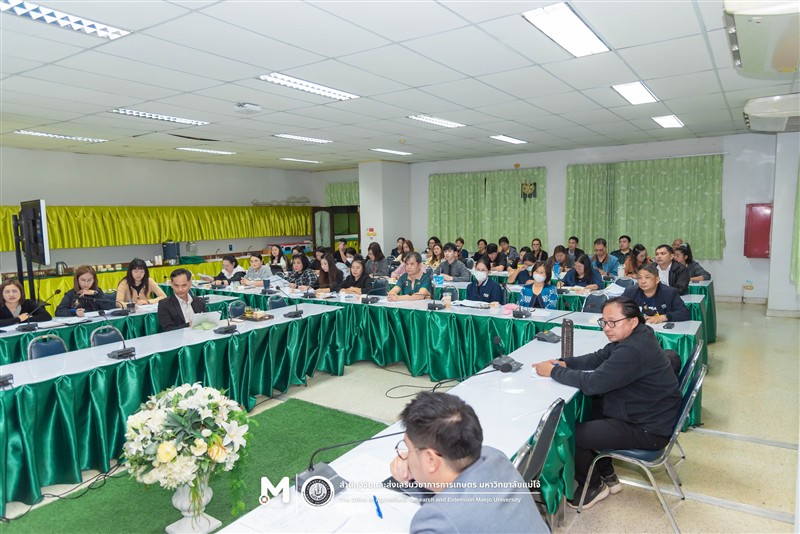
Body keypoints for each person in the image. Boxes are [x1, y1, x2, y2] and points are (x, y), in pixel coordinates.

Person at [533, 298, 681, 510]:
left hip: (648, 429)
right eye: (604, 322)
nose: (607, 328)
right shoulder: (638, 335)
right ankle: (607, 473)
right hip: (643, 412)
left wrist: (554, 372)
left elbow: (592, 384)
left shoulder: (633, 349)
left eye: (613, 322)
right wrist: (565, 363)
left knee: (573, 434)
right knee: (592, 409)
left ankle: (594, 486)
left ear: (632, 321)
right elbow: (600, 357)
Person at [390, 391, 548, 534]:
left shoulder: (436, 521)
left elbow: (449, 513)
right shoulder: (493, 456)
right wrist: (413, 477)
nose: (406, 457)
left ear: (431, 459)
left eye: (408, 449)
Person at [622, 264, 690, 323]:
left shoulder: (669, 292)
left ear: (657, 280)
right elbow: (619, 309)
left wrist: (663, 317)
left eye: (647, 277)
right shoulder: (631, 291)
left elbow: (685, 313)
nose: (643, 281)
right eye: (639, 278)